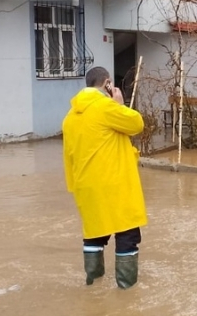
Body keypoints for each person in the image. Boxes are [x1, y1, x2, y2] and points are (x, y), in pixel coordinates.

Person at [62, 66, 147, 289]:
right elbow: (136, 124)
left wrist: (75, 188)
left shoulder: (70, 116)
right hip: (114, 184)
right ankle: (126, 291)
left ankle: (93, 284)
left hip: (85, 186)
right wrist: (119, 103)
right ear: (107, 83)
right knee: (127, 234)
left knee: (94, 236)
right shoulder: (106, 107)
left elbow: (68, 157)